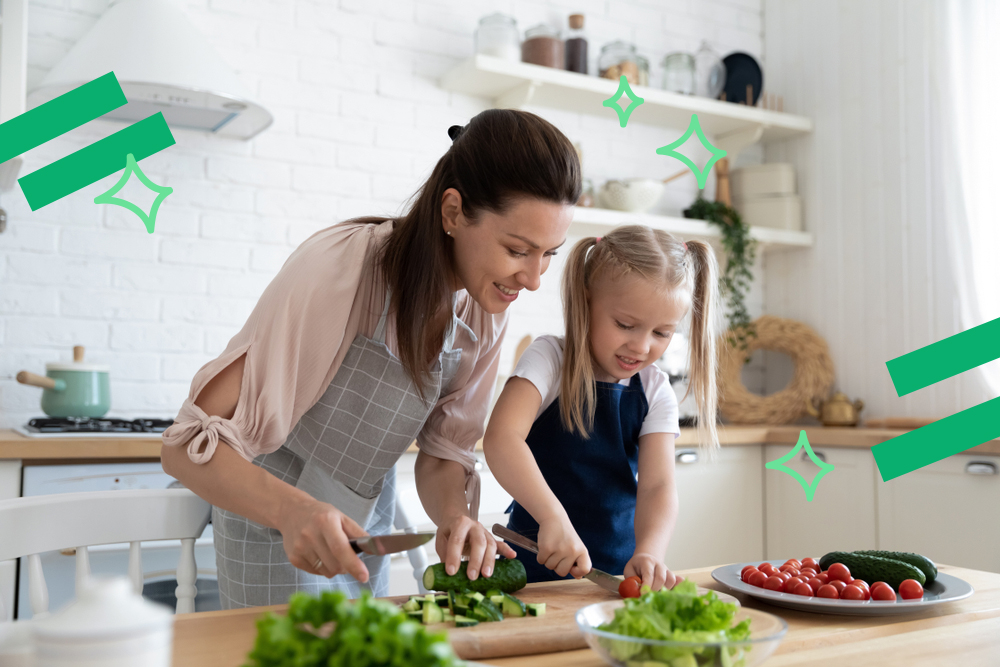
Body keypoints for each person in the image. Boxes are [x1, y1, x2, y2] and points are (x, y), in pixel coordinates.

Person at [160, 109, 581, 608]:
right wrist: (293, 511)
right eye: (518, 250)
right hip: (274, 525)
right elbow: (184, 447)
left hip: (366, 530)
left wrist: (453, 518)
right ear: (452, 212)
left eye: (549, 254)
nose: (533, 279)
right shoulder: (341, 269)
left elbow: (445, 453)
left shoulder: (485, 308)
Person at [483, 225, 720, 591]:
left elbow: (657, 487)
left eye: (661, 333)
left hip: (615, 576)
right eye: (626, 325)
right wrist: (552, 517)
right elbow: (502, 438)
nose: (642, 347)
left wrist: (651, 552)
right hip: (531, 571)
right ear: (586, 301)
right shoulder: (549, 359)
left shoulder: (655, 389)